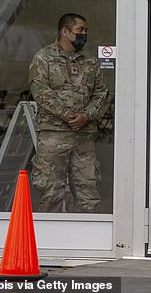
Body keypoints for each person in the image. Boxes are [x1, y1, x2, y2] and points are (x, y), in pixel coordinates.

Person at [28, 13, 108, 213]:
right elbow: (40, 91)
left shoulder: (90, 61)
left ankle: (88, 242)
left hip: (83, 137)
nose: (84, 34)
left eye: (86, 31)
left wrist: (86, 116)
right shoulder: (43, 58)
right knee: (51, 193)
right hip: (54, 137)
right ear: (65, 31)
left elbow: (101, 93)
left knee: (88, 196)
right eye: (80, 30)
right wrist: (67, 115)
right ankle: (50, 241)